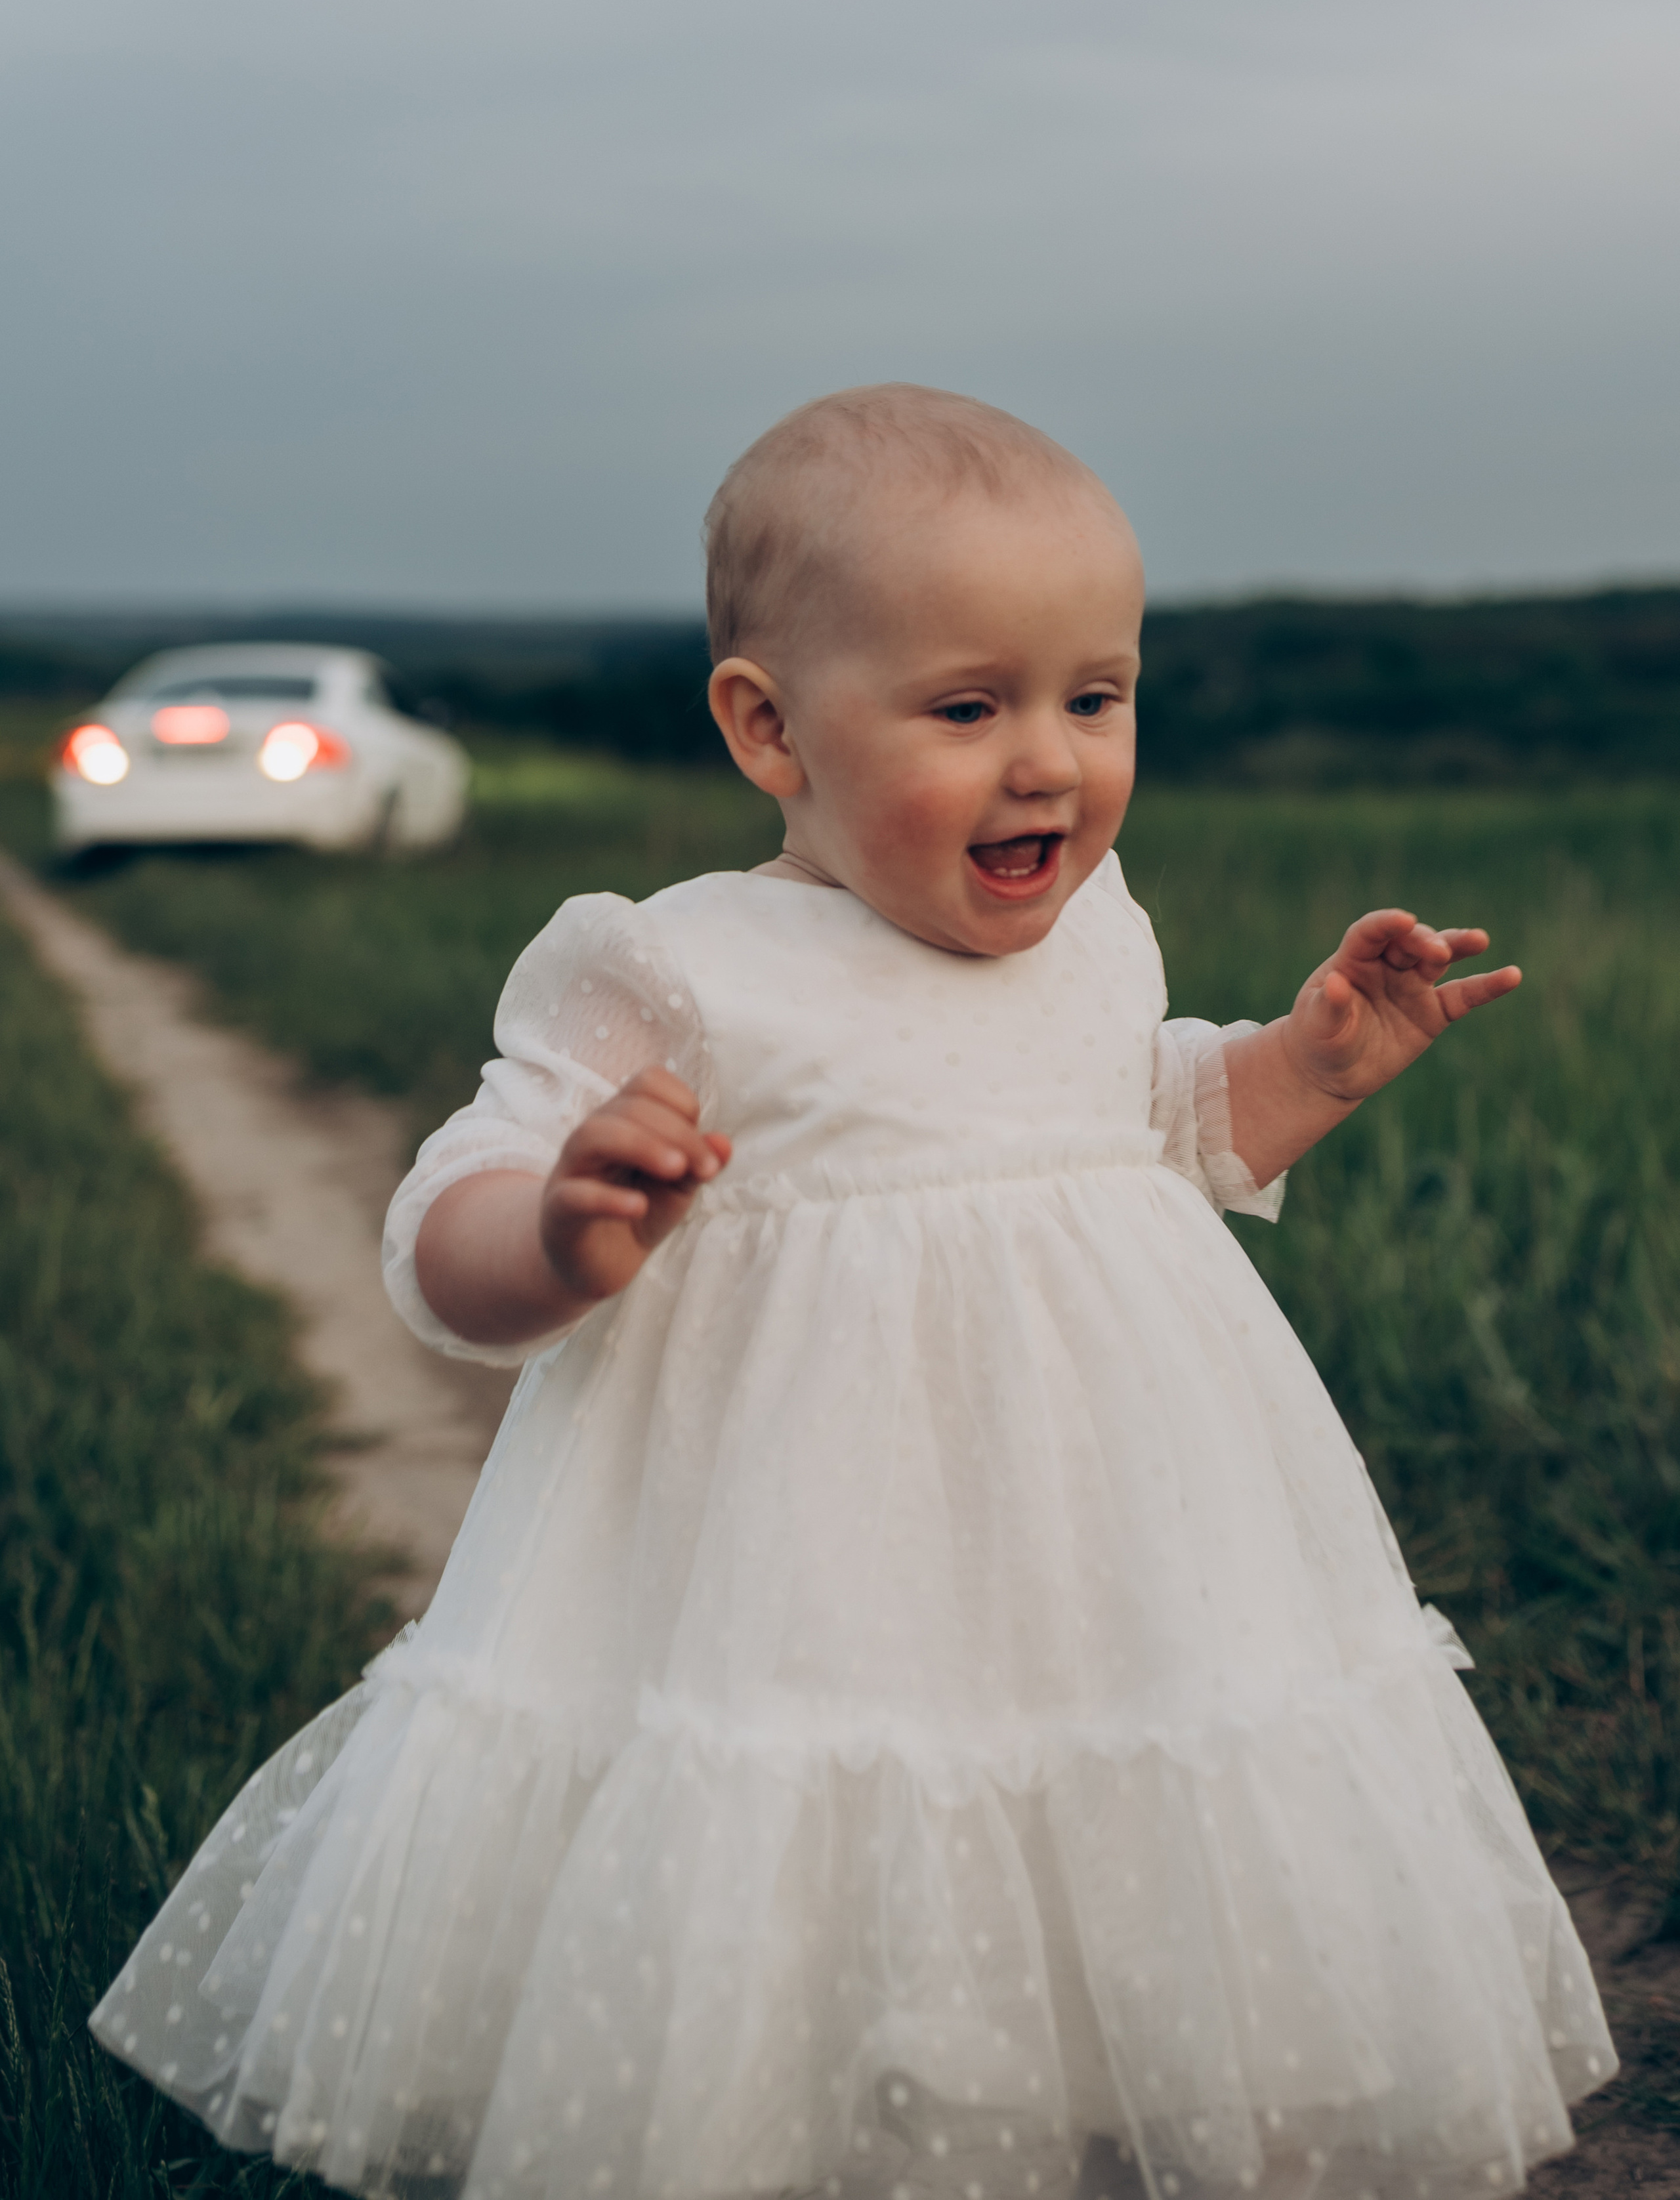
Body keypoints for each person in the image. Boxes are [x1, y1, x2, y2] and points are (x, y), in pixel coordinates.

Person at [93, 386, 1615, 2200]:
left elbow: (1152, 1133)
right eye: (968, 709)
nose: (1046, 760)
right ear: (770, 726)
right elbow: (447, 1220)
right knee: (824, 1854)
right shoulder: (685, 966)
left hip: (1109, 1546)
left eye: (1094, 697)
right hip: (804, 1573)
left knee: (1111, 1816)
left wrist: (1312, 1060)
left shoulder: (1096, 924)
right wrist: (568, 1230)